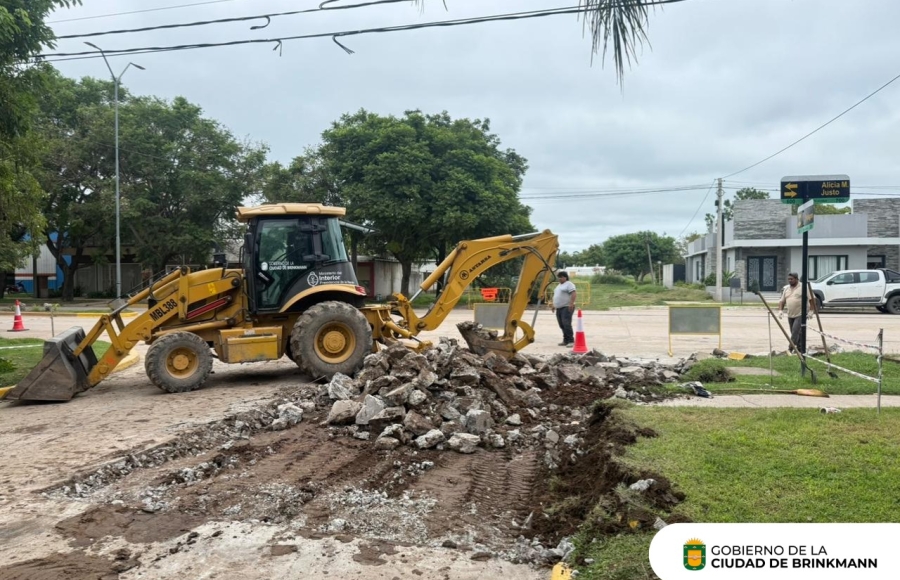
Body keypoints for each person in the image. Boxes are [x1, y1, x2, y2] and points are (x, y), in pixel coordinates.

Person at [777, 272, 816, 352]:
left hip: (800, 314)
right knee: (796, 333)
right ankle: (800, 349)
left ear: (796, 279)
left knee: (795, 331)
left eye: (791, 279)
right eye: (788, 279)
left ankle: (790, 349)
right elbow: (782, 301)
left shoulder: (803, 287)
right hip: (790, 314)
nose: (790, 281)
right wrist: (780, 310)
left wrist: (811, 311)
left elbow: (812, 299)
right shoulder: (787, 289)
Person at [551, 271, 577, 347]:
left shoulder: (569, 284)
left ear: (565, 277)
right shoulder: (558, 286)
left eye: (561, 277)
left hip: (566, 307)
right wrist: (553, 305)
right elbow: (556, 295)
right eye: (558, 277)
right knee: (561, 324)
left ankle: (571, 341)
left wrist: (571, 303)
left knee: (566, 323)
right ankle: (565, 340)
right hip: (559, 308)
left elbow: (574, 293)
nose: (559, 278)